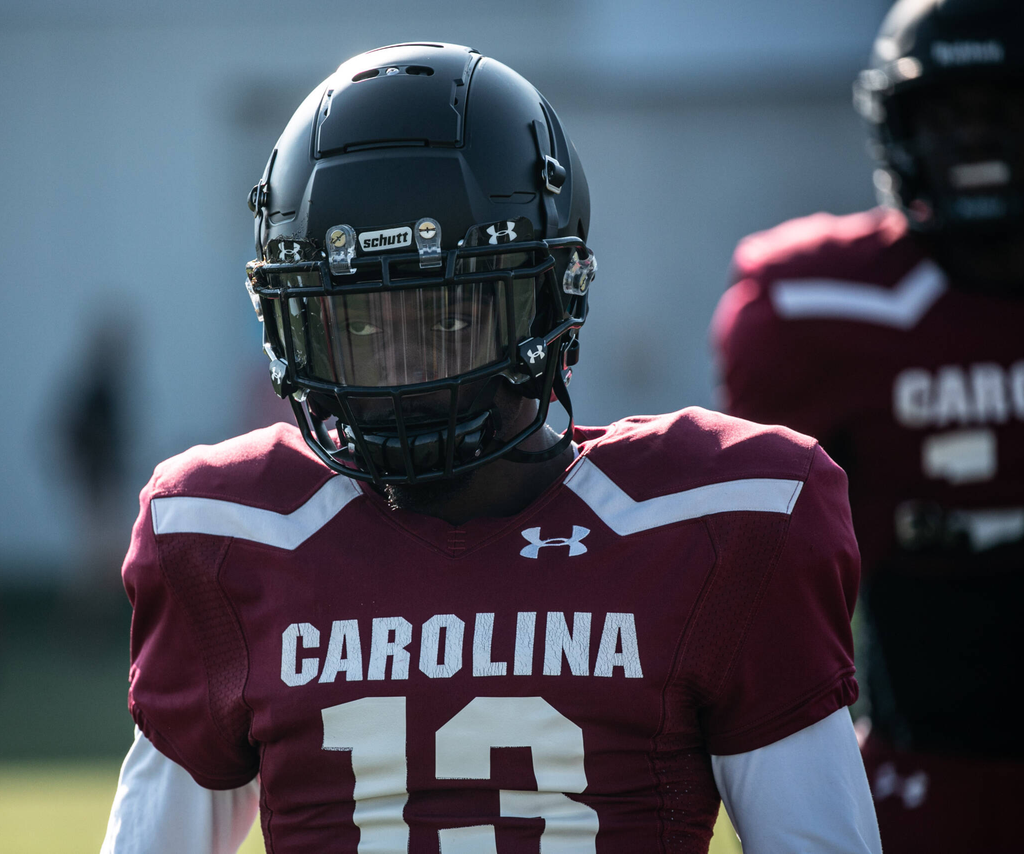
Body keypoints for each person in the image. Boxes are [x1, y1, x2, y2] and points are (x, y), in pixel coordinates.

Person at [103, 43, 879, 854]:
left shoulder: (718, 526)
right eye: (360, 323)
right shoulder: (235, 542)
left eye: (445, 314)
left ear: (553, 294)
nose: (399, 368)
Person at [711, 1, 1024, 851]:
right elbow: (758, 585)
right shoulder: (820, 310)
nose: (975, 142)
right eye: (946, 114)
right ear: (897, 125)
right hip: (926, 767)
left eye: (1006, 108)